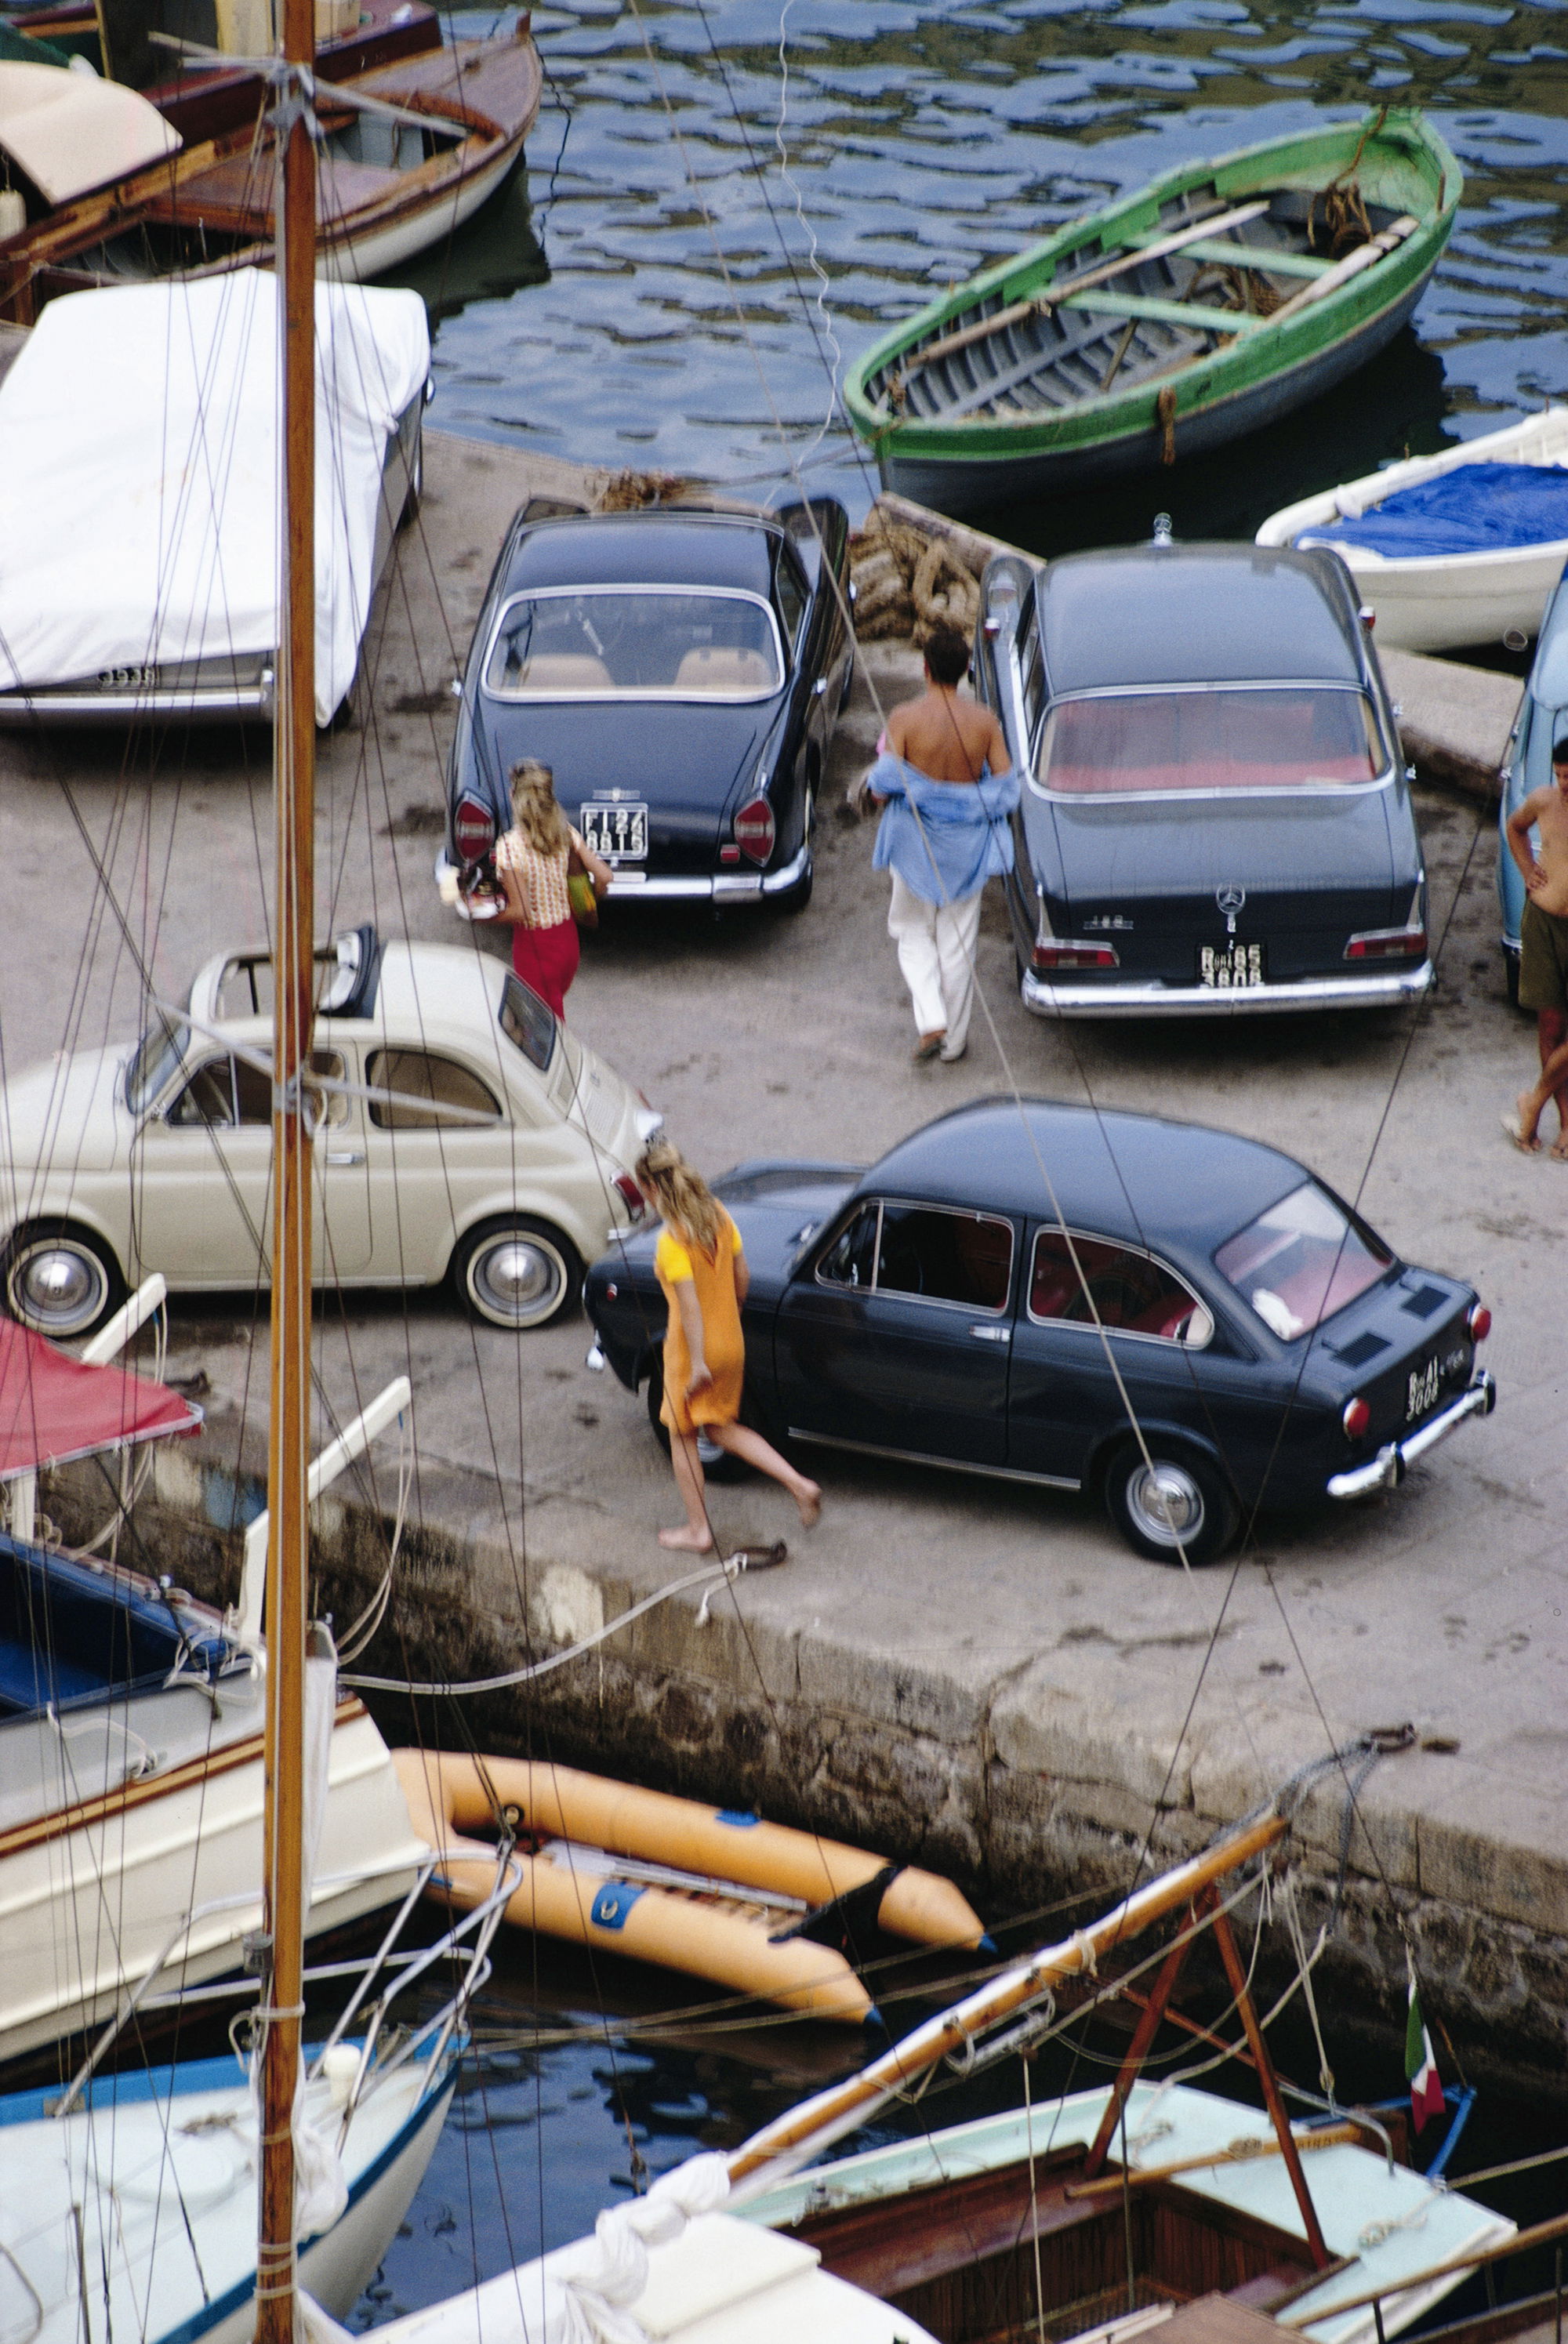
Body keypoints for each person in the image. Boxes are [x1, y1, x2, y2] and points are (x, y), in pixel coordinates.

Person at [637, 1138, 821, 1553]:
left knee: (681, 1436)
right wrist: (730, 1319)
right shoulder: (718, 1216)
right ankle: (799, 1484)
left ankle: (699, 1530)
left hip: (692, 1354)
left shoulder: (672, 1241)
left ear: (652, 1190)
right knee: (720, 1428)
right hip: (730, 1342)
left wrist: (699, 1362)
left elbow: (688, 1309)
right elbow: (743, 1278)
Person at [865, 622, 1018, 1064]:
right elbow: (1006, 791)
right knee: (957, 944)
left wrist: (918, 789)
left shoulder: (905, 718)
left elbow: (881, 786)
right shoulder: (985, 722)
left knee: (912, 931)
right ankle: (953, 1044)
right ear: (967, 669)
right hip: (967, 848)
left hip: (914, 843)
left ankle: (931, 1018)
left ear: (926, 670)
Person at [493, 760, 612, 1018]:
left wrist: (480, 914)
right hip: (567, 941)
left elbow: (521, 911)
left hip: (536, 949)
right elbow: (604, 875)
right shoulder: (565, 833)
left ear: (514, 797)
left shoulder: (510, 847)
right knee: (548, 1011)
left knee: (546, 1027)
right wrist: (586, 898)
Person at [1503, 735, 1568, 1158]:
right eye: (1561, 776)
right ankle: (1567, 1126)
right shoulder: (1544, 801)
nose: (1566, 785)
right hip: (1543, 923)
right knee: (1550, 1026)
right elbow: (1514, 827)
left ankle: (1532, 1104)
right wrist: (1528, 870)